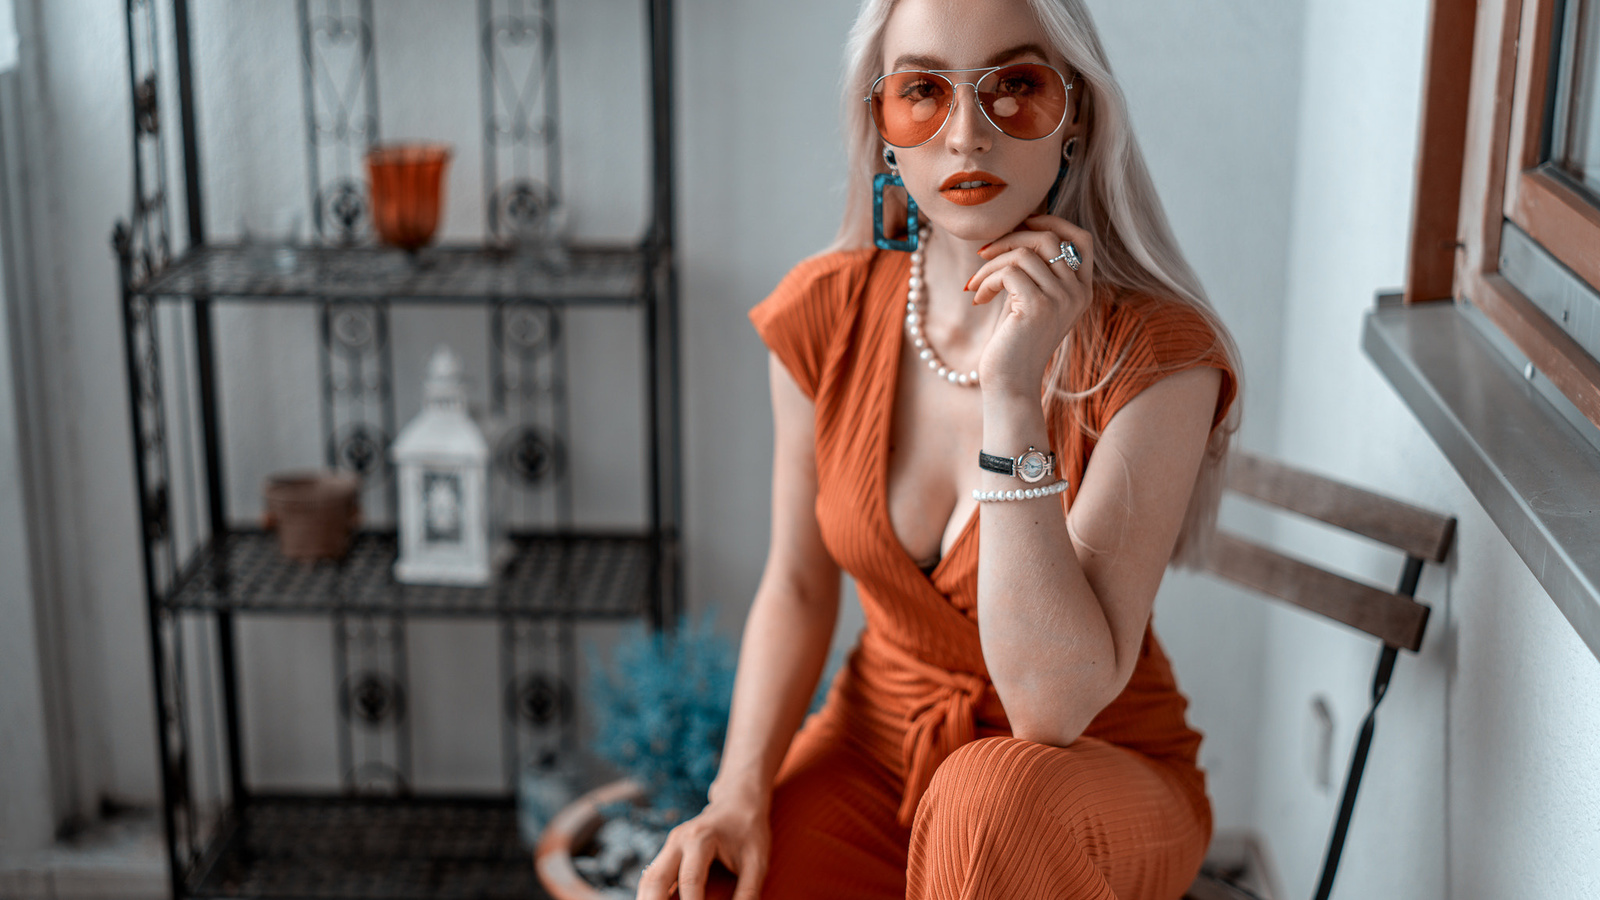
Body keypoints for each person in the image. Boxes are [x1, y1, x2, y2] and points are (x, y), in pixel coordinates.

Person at [639, 0, 1240, 896]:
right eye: (922, 91)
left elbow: (1051, 704)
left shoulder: (1158, 354)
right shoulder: (826, 314)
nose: (966, 135)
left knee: (986, 799)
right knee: (719, 877)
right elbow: (801, 586)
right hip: (873, 747)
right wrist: (733, 794)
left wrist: (1012, 393)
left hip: (1078, 779)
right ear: (880, 124)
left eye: (1016, 88)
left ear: (1074, 112)